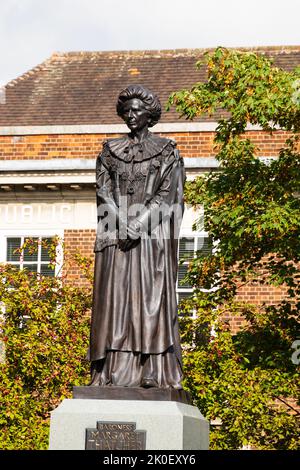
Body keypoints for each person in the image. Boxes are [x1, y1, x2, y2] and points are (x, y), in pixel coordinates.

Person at [88, 84, 186, 388]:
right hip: (116, 239)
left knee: (148, 303)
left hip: (149, 241)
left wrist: (138, 225)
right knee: (114, 303)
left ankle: (150, 370)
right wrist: (120, 223)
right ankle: (112, 372)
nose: (131, 116)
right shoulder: (109, 151)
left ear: (150, 115)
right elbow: (102, 191)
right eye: (126, 110)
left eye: (137, 110)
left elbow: (168, 195)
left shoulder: (167, 151)